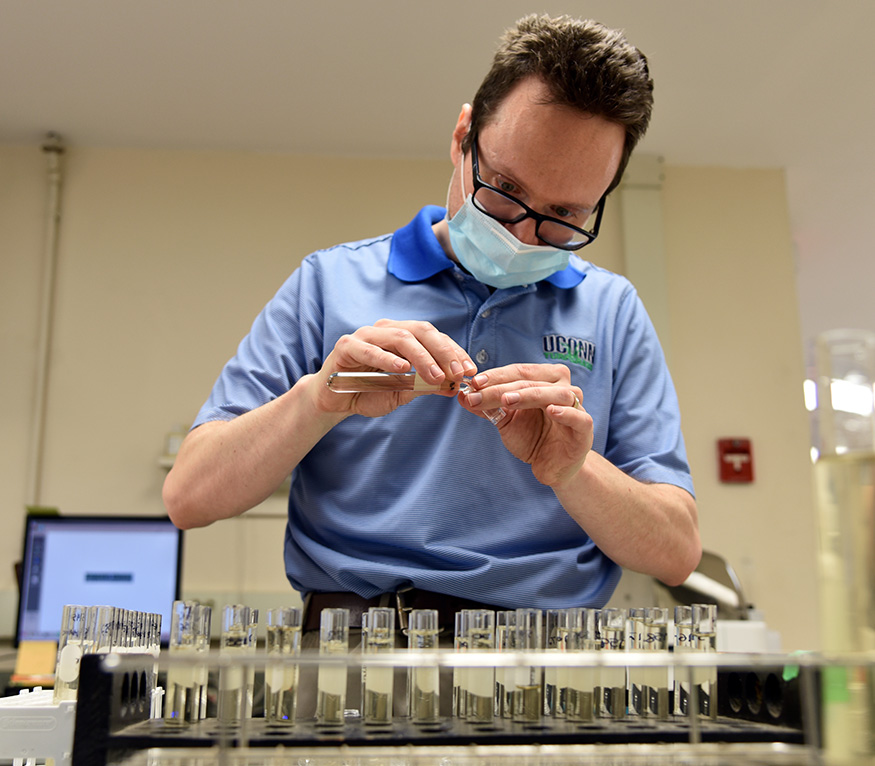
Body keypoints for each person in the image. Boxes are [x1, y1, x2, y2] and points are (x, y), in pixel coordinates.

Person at [163, 14, 700, 634]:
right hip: (351, 657)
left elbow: (676, 552)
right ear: (462, 136)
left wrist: (575, 470)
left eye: (564, 214)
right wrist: (320, 398)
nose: (520, 234)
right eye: (503, 187)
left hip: (545, 671)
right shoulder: (328, 283)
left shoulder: (613, 312)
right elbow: (190, 496)